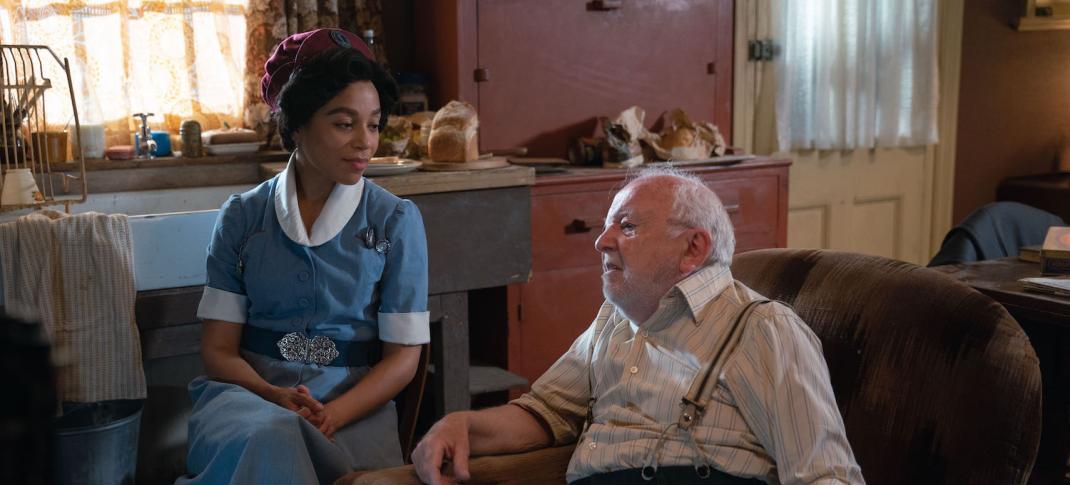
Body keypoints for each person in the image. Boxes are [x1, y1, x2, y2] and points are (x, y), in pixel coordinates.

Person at [413, 168, 864, 484]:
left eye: (626, 227)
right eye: (606, 226)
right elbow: (543, 413)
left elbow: (826, 476)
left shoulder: (765, 329)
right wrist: (462, 427)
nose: (600, 241)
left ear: (693, 249)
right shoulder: (613, 322)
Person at [177, 28, 428, 484]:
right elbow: (218, 351)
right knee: (271, 436)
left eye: (373, 124)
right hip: (248, 401)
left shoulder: (395, 221)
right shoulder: (242, 218)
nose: (365, 143)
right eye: (343, 123)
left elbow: (403, 358)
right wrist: (271, 395)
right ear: (296, 124)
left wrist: (332, 414)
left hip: (355, 407)